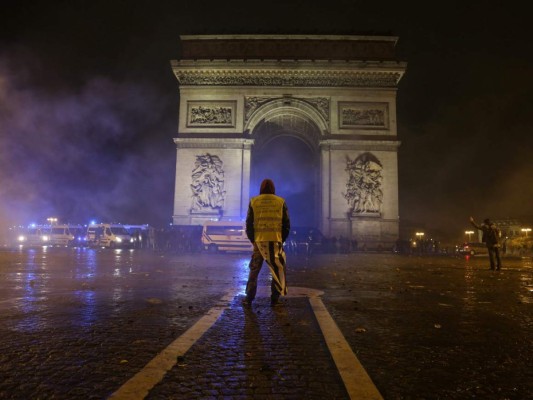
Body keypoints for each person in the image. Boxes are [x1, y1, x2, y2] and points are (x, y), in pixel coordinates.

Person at [244, 178, 290, 307]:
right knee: (277, 270)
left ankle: (249, 298)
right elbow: (286, 224)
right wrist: (282, 239)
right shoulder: (280, 201)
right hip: (275, 241)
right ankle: (275, 299)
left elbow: (248, 223)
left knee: (254, 270)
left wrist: (253, 240)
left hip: (259, 242)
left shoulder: (254, 201)